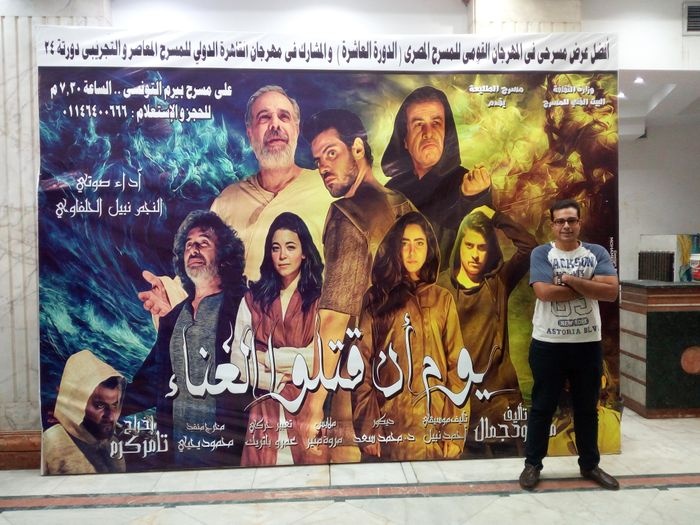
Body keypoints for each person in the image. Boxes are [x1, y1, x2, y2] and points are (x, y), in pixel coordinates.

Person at [139, 85, 333, 317]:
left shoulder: (327, 192)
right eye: (264, 118)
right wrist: (169, 295)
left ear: (296, 129)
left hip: (312, 332)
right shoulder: (228, 201)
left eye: (284, 117)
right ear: (250, 133)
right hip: (239, 333)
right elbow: (202, 273)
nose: (275, 125)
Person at [302, 108, 415, 462]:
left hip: (362, 388)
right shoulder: (406, 207)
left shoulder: (347, 214)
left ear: (357, 148)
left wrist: (313, 407)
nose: (323, 167)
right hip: (414, 383)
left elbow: (335, 317)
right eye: (318, 160)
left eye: (331, 153)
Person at [123, 210, 254, 469]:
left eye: (203, 243)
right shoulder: (173, 319)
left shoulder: (244, 305)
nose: (193, 249)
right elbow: (150, 384)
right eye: (188, 245)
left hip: (229, 457)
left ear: (224, 254)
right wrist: (84, 405)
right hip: (177, 459)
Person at [519, 198, 620, 491]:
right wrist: (590, 286)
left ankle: (590, 465)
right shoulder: (542, 253)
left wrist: (567, 279)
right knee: (542, 407)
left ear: (579, 223)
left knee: (587, 408)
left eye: (571, 220)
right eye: (560, 221)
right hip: (548, 343)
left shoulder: (597, 252)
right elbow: (544, 293)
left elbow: (611, 292)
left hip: (587, 344)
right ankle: (532, 465)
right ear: (552, 225)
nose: (566, 226)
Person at [352, 212, 466, 461]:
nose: (412, 252)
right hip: (389, 433)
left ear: (429, 249)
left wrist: (454, 431)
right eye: (405, 244)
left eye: (419, 243)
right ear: (395, 248)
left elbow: (458, 369)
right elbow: (360, 366)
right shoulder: (377, 298)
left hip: (434, 433)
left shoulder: (442, 299)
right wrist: (368, 429)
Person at [438, 205, 536, 456]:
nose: (475, 255)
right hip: (458, 399)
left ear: (490, 250)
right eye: (469, 246)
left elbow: (530, 247)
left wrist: (496, 217)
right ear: (459, 246)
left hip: (499, 398)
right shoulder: (441, 286)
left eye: (482, 248)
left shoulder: (498, 281)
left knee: (511, 465)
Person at [232, 212, 324, 466]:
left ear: (304, 252)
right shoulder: (252, 299)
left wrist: (266, 358)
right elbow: (239, 361)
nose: (282, 255)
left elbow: (319, 358)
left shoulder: (320, 300)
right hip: (263, 416)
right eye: (275, 248)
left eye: (290, 247)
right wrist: (278, 379)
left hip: (306, 413)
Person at [381, 85, 492, 268]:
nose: (428, 133)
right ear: (405, 140)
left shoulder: (467, 183)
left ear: (446, 134)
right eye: (418, 125)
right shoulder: (392, 190)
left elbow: (479, 243)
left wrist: (475, 198)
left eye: (436, 123)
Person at [42, 349, 126, 474]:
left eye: (114, 405)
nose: (111, 416)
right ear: (77, 403)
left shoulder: (111, 442)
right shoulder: (55, 445)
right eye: (100, 405)